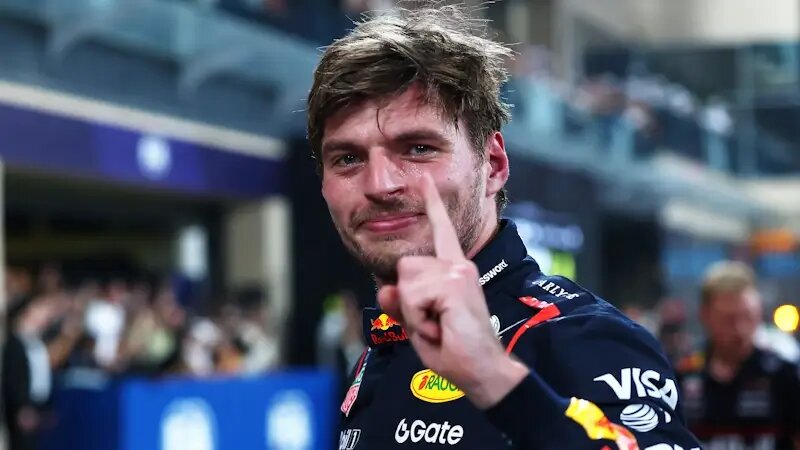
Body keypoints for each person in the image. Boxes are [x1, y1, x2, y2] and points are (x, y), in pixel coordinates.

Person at [306, 5, 700, 449]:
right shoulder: (382, 346)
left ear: (492, 165)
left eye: (418, 148)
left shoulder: (581, 338)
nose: (380, 184)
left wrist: (495, 380)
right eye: (348, 158)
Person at [676, 261, 800, 450]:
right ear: (705, 315)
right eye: (729, 319)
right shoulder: (680, 376)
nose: (740, 329)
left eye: (748, 316)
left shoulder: (784, 375)